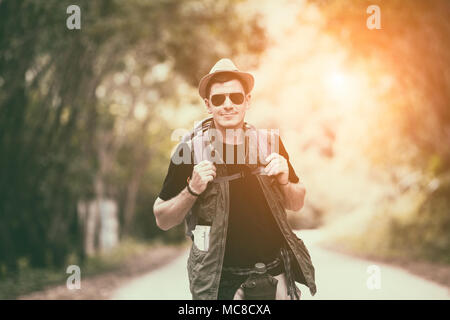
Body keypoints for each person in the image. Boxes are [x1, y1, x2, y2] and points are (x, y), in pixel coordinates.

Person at [153, 58, 316, 300]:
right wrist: (192, 189)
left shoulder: (270, 143)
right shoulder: (188, 150)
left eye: (235, 97)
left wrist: (284, 180)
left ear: (247, 101)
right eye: (219, 99)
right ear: (208, 105)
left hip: (277, 274)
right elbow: (162, 218)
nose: (228, 105)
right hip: (222, 283)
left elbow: (297, 202)